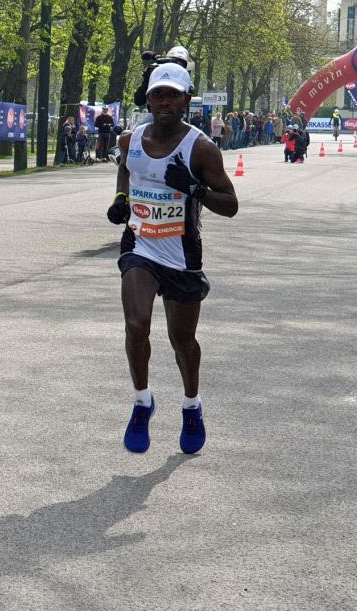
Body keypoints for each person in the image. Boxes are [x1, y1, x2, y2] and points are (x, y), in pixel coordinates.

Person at [105, 61, 238, 455]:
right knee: (136, 323)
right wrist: (120, 200)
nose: (163, 102)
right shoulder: (130, 140)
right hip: (141, 245)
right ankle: (142, 401)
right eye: (157, 95)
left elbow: (231, 205)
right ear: (148, 99)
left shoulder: (201, 147)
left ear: (185, 100)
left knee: (182, 341)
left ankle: (191, 406)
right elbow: (126, 173)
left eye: (172, 96)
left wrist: (194, 189)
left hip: (181, 254)